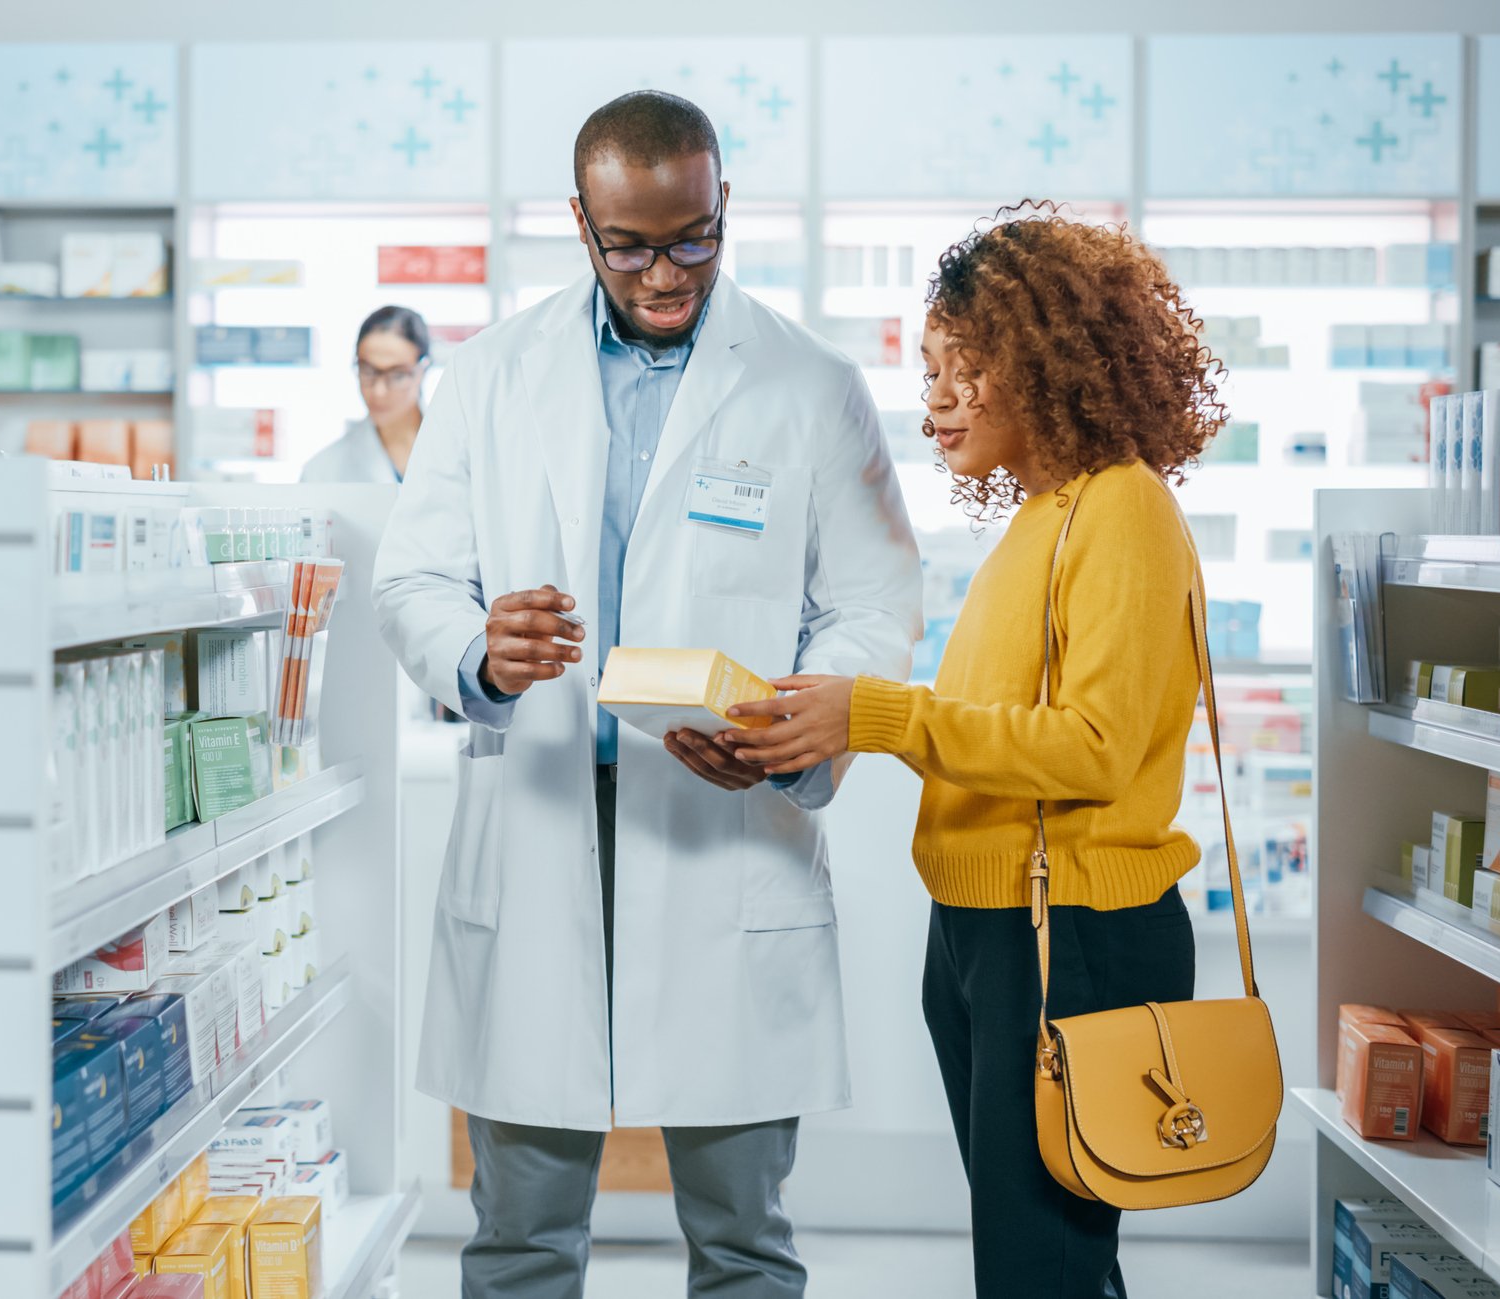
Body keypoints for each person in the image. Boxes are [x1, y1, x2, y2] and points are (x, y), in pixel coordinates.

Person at [372, 91, 921, 1299]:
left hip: (723, 823)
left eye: (693, 239)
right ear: (579, 222)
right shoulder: (490, 375)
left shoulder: (808, 383)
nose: (665, 275)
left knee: (742, 1242)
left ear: (724, 208)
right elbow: (411, 578)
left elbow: (875, 604)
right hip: (540, 821)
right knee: (519, 1239)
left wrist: (798, 726)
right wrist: (482, 653)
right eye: (629, 247)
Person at [718, 203, 1229, 1299]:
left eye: (969, 367)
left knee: (1038, 1264)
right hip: (991, 926)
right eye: (931, 369)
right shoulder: (1045, 516)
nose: (937, 399)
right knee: (1045, 1259)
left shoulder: (1122, 510)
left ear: (1048, 364)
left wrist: (878, 715)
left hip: (1070, 932)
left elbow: (1092, 749)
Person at [302, 305, 430, 483]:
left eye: (397, 375)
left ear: (422, 370)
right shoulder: (322, 471)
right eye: (368, 371)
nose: (379, 391)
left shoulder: (459, 448)